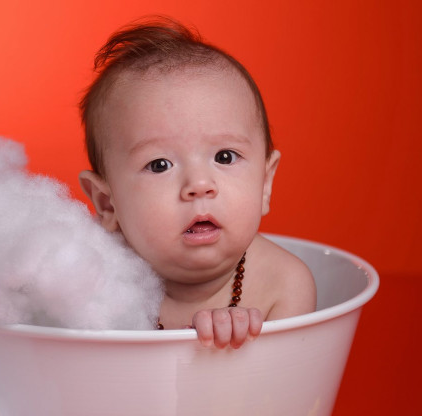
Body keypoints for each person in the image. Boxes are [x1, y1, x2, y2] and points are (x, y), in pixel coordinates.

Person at [78, 16, 316, 349]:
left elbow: (288, 378)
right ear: (107, 203)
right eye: (159, 165)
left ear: (265, 183)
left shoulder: (283, 284)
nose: (200, 184)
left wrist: (234, 347)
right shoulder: (93, 280)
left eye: (225, 157)